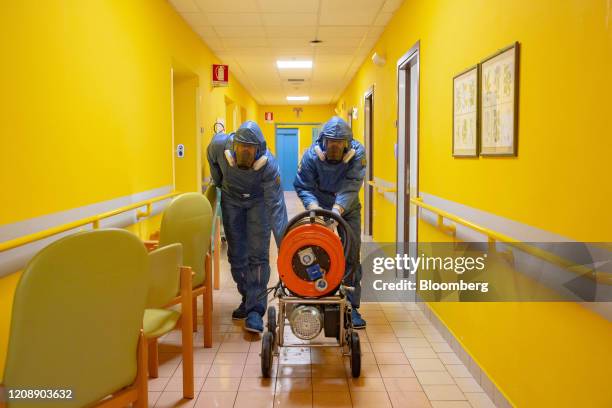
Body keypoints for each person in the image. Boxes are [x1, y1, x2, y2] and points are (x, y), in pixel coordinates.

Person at [207, 121, 288, 333]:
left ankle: (255, 310)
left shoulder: (268, 166)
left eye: (249, 149)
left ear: (258, 150)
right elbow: (212, 160)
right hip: (231, 200)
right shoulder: (218, 145)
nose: (243, 152)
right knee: (236, 255)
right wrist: (218, 180)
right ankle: (247, 296)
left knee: (258, 256)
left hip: (258, 203)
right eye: (240, 147)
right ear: (233, 146)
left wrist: (285, 246)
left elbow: (277, 208)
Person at [293, 116, 367, 328]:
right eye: (330, 143)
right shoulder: (310, 156)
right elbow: (303, 185)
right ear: (322, 141)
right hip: (320, 205)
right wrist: (313, 207)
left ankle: (351, 308)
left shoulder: (357, 154)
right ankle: (319, 295)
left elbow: (352, 184)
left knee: (351, 254)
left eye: (339, 144)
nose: (334, 148)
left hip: (348, 207)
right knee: (317, 254)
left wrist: (337, 211)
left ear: (347, 144)